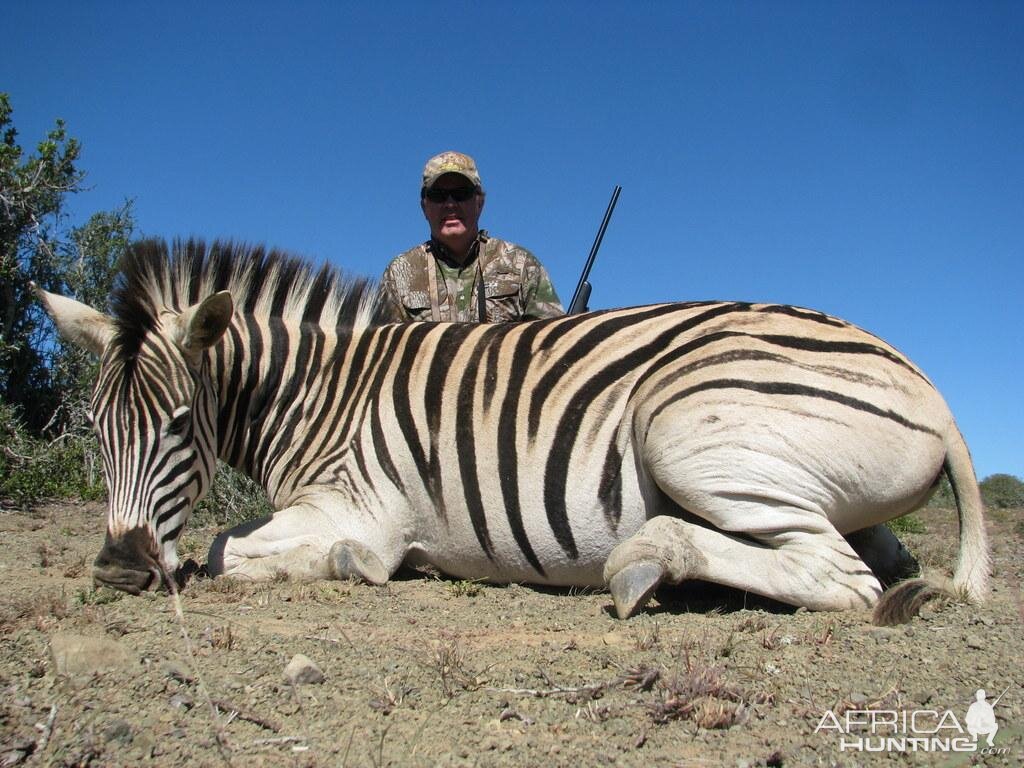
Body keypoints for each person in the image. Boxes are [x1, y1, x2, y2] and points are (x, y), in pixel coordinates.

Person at [380, 151, 564, 323]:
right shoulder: (399, 273)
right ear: (424, 207)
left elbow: (554, 342)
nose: (450, 204)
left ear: (479, 202)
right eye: (438, 196)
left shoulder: (521, 264)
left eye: (461, 194)